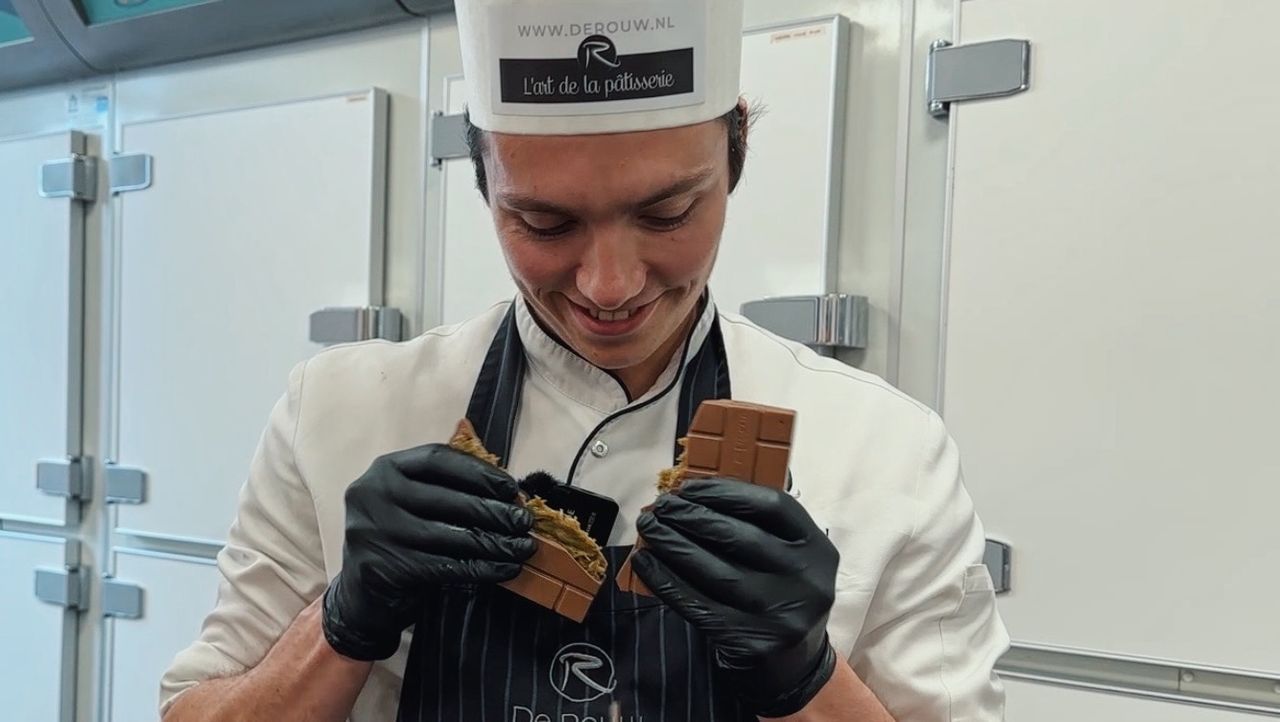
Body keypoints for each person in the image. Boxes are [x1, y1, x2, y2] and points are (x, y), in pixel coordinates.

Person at [159, 0, 1009, 719]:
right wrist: (343, 622)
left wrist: (805, 674)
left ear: (735, 155)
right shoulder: (337, 412)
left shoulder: (886, 448)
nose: (610, 286)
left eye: (668, 214)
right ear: (483, 182)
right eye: (545, 224)